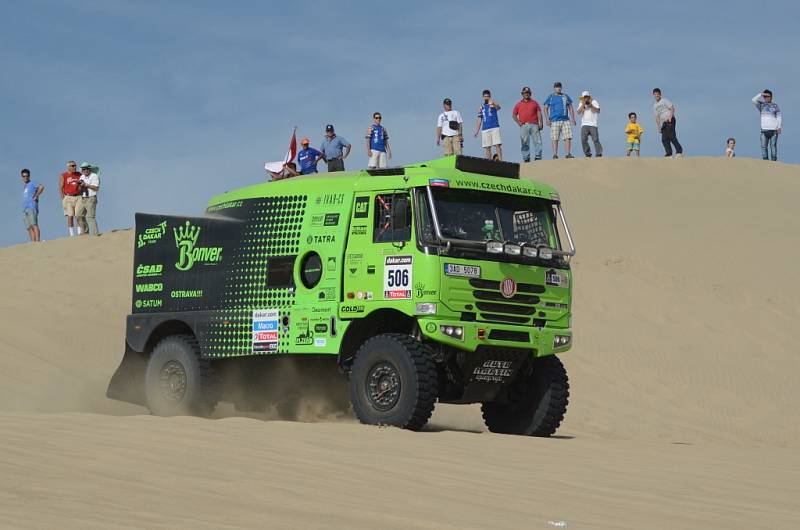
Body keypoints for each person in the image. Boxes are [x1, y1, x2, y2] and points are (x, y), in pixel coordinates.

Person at [543, 82, 576, 159]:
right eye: (557, 87)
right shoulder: (550, 97)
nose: (558, 88)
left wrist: (573, 118)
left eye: (559, 87)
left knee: (568, 137)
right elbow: (545, 108)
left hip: (565, 120)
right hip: (554, 120)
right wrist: (547, 119)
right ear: (554, 88)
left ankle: (568, 154)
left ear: (561, 88)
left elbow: (570, 107)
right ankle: (555, 154)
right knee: (555, 138)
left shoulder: (565, 96)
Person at [512, 86, 543, 162]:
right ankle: (526, 158)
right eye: (525, 93)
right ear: (522, 94)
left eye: (528, 93)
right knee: (524, 142)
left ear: (530, 94)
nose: (527, 94)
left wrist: (541, 123)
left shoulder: (534, 103)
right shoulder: (518, 104)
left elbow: (539, 113)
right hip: (524, 125)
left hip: (534, 124)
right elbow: (514, 114)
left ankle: (538, 157)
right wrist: (518, 122)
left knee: (537, 141)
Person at [652, 88, 684, 158]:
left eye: (658, 94)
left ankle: (679, 152)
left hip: (670, 120)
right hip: (663, 123)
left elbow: (672, 108)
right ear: (653, 95)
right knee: (664, 139)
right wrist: (658, 127)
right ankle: (669, 154)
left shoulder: (664, 100)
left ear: (660, 95)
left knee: (672, 136)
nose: (656, 96)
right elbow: (657, 117)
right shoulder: (655, 105)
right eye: (655, 94)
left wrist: (670, 117)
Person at [752, 90, 782, 161]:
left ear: (771, 97)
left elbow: (779, 116)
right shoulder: (761, 105)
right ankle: (765, 162)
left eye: (768, 96)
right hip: (764, 130)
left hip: (774, 130)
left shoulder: (775, 106)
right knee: (763, 147)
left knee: (773, 147)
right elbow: (753, 100)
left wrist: (779, 127)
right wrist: (761, 94)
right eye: (765, 97)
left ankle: (774, 162)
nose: (766, 98)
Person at [474, 89, 503, 160]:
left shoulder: (493, 104)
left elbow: (499, 108)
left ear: (490, 96)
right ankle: (489, 162)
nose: (486, 98)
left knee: (497, 145)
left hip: (494, 126)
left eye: (487, 96)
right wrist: (476, 131)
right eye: (485, 96)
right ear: (483, 97)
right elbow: (479, 119)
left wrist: (494, 104)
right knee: (487, 147)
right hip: (485, 128)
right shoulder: (482, 107)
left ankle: (501, 161)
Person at [75, 162, 100, 236]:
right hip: (83, 198)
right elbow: (79, 189)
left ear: (89, 169)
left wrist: (86, 185)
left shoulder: (94, 176)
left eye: (86, 169)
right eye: (83, 169)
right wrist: (79, 185)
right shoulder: (82, 177)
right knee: (78, 215)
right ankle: (85, 231)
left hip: (91, 198)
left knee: (90, 217)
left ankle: (95, 234)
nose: (85, 170)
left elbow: (96, 188)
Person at [20, 168, 44, 242]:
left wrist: (36, 195)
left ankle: (37, 241)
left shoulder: (32, 183)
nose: (25, 177)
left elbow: (41, 186)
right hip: (25, 209)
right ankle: (33, 243)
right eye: (24, 176)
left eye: (27, 176)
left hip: (32, 207)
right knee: (29, 227)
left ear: (29, 176)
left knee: (34, 224)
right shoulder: (25, 186)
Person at [59, 160, 83, 236]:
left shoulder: (79, 174)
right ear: (68, 167)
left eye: (75, 165)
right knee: (70, 215)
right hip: (68, 197)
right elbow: (61, 187)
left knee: (78, 214)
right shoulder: (64, 175)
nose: (74, 167)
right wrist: (63, 198)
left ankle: (79, 232)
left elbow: (81, 184)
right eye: (72, 166)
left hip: (78, 196)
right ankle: (71, 234)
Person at [577, 90, 603, 158]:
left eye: (586, 97)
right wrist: (583, 105)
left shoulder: (594, 102)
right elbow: (578, 112)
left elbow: (598, 110)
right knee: (583, 139)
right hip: (584, 124)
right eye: (584, 97)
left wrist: (591, 105)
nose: (585, 98)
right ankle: (588, 153)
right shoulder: (581, 103)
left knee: (595, 139)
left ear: (589, 97)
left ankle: (599, 153)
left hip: (593, 124)